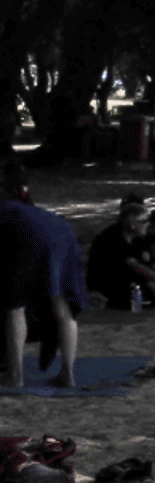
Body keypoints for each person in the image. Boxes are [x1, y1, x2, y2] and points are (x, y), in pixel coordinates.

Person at [1, 164, 85, 387]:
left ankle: (15, 375)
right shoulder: (22, 206)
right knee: (61, 305)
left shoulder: (7, 210)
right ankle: (68, 374)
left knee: (14, 307)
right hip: (62, 232)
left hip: (32, 236)